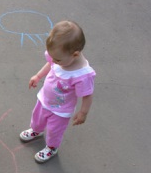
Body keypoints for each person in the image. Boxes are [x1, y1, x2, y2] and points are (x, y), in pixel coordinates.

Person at [20, 20, 96, 163]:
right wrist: (38, 76)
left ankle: (51, 147)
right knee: (37, 118)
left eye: (57, 59)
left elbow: (87, 95)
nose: (54, 60)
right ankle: (36, 130)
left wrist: (83, 113)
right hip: (44, 99)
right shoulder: (60, 57)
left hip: (61, 110)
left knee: (55, 131)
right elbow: (50, 64)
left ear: (75, 54)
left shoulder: (81, 75)